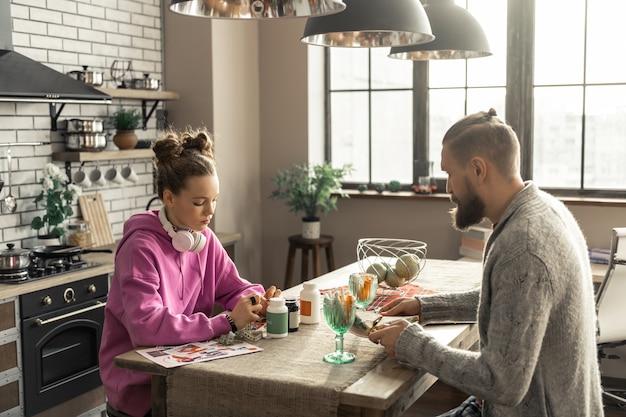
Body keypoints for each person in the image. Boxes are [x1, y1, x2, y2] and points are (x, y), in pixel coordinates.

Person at [368, 109, 603, 416]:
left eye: (450, 174)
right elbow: (511, 301)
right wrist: (426, 306)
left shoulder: (524, 245)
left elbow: (501, 383)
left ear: (478, 169)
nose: (448, 188)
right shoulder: (545, 208)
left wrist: (412, 344)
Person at [99, 127, 281, 417]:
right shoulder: (140, 247)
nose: (210, 211)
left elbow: (234, 287)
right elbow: (147, 327)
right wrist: (227, 322)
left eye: (214, 199)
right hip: (142, 391)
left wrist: (255, 301)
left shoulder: (202, 238)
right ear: (169, 198)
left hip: (186, 372)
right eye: (199, 202)